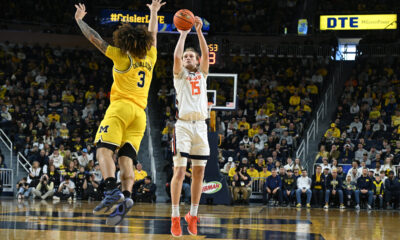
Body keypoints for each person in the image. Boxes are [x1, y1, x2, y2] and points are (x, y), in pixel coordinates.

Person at [74, 0, 164, 225]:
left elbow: (95, 39)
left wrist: (79, 21)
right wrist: (153, 12)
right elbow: (153, 34)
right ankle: (127, 196)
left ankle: (111, 190)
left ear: (125, 41)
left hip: (121, 107)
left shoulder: (122, 56)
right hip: (140, 115)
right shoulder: (150, 58)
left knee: (103, 151)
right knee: (127, 160)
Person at [170, 12, 210, 237]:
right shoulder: (180, 76)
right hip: (183, 126)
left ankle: (192, 214)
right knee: (179, 170)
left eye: (190, 57)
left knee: (199, 173)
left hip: (201, 126)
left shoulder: (203, 74)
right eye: (185, 56)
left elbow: (205, 53)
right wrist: (183, 34)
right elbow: (176, 57)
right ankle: (175, 216)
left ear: (196, 61)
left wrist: (198, 31)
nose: (187, 58)